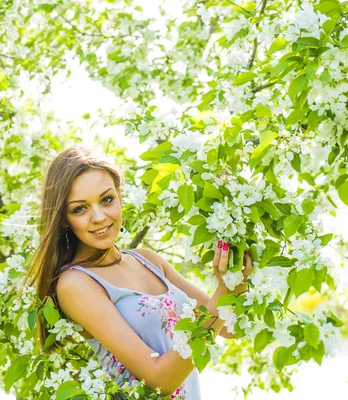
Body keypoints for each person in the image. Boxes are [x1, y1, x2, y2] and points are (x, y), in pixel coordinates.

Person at [24, 146, 253, 399]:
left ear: (120, 197)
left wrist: (235, 263)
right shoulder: (76, 283)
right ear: (64, 218)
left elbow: (230, 328)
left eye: (106, 199)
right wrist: (224, 291)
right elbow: (160, 380)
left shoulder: (147, 260)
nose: (99, 217)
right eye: (80, 208)